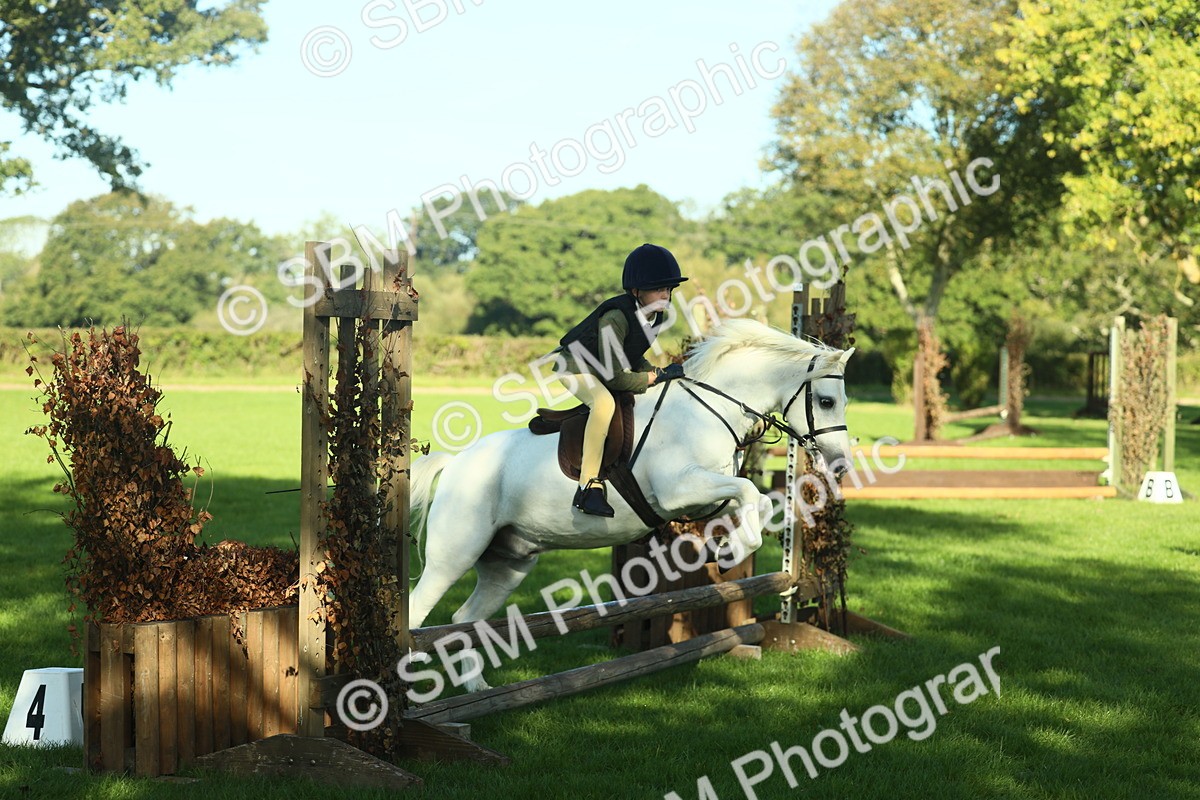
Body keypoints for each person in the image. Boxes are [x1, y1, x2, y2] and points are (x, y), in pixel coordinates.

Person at [550, 243, 688, 517]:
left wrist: (658, 373)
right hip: (575, 367)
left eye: (668, 288)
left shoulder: (655, 316)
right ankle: (588, 486)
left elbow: (632, 354)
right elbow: (613, 377)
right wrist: (650, 378)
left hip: (602, 367)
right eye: (658, 289)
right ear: (636, 291)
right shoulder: (615, 318)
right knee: (603, 404)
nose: (665, 294)